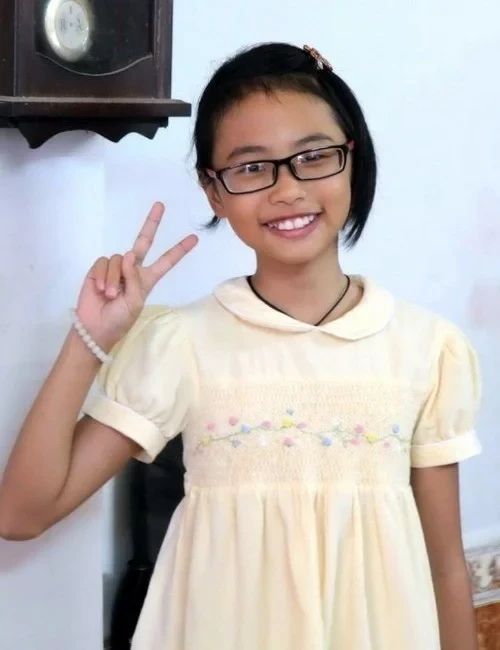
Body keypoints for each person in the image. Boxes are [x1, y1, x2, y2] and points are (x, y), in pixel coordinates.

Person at [0, 42, 481, 650]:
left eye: (313, 157)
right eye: (252, 167)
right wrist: (90, 338)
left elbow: (445, 568)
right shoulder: (183, 344)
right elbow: (21, 515)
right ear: (213, 190)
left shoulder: (428, 349)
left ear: (352, 160)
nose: (287, 189)